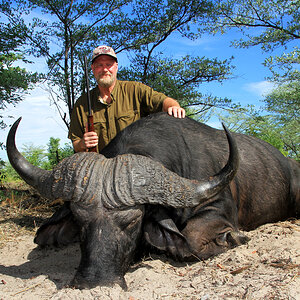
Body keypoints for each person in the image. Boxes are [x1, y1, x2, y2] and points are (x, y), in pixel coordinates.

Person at [68, 45, 185, 152]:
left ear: (116, 67)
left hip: (134, 168)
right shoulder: (82, 104)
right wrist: (83, 144)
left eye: (109, 64)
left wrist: (173, 106)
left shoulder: (135, 89)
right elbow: (76, 143)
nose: (104, 69)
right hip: (100, 170)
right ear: (93, 69)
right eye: (99, 65)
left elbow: (163, 101)